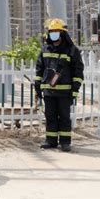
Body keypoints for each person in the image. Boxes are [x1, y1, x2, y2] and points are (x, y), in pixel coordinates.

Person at [35, 18, 84, 152]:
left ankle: (65, 142)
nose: (54, 34)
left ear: (62, 33)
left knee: (64, 117)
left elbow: (78, 72)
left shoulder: (72, 50)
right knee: (50, 116)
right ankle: (50, 141)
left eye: (56, 31)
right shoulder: (45, 49)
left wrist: (74, 90)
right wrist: (38, 86)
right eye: (51, 31)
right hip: (48, 91)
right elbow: (39, 68)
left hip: (65, 93)